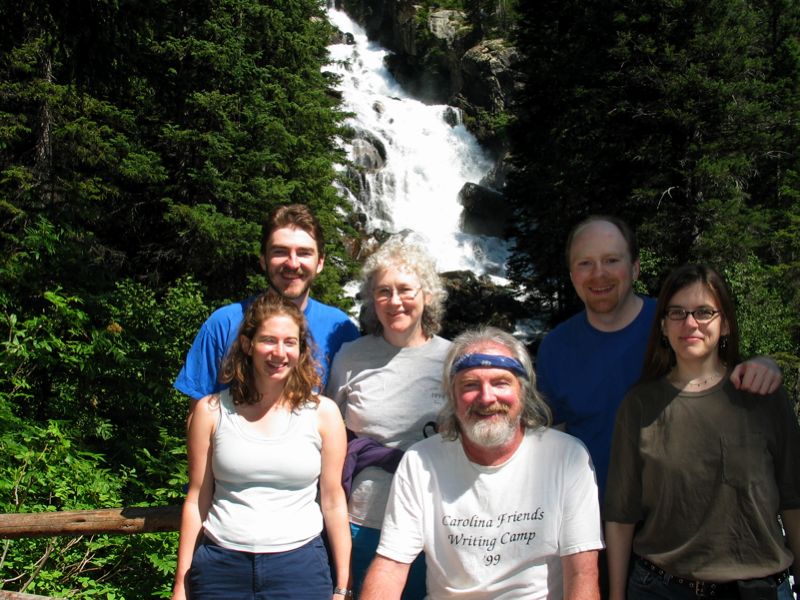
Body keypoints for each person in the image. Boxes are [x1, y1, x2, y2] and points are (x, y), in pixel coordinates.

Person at [535, 215, 783, 500]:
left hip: (680, 518)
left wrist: (764, 364)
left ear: (636, 268)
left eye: (611, 260)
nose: (598, 273)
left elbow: (724, 374)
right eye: (585, 263)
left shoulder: (677, 324)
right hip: (595, 520)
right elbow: (554, 439)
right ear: (572, 276)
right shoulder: (555, 347)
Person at [359, 326, 604, 600]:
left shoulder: (566, 456)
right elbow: (391, 565)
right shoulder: (420, 461)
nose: (487, 398)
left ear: (523, 393)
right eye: (470, 385)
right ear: (452, 396)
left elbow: (581, 572)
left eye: (500, 383)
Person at [604, 264, 800, 600]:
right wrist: (617, 595)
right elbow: (621, 514)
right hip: (660, 589)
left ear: (724, 324)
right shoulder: (638, 405)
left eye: (704, 312)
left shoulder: (763, 394)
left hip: (759, 589)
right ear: (664, 326)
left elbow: (794, 499)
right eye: (677, 312)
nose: (690, 323)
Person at [172, 292, 352, 600]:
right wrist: (181, 583)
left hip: (300, 568)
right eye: (268, 340)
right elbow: (197, 498)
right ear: (247, 344)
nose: (279, 352)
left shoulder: (324, 414)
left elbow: (334, 502)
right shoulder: (211, 411)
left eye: (290, 342)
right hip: (221, 567)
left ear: (301, 349)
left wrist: (342, 586)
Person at [325, 236, 451, 599]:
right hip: (362, 523)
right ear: (371, 300)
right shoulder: (350, 357)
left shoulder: (454, 359)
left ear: (427, 294)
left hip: (434, 526)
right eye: (383, 292)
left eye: (405, 290)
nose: (395, 301)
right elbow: (331, 438)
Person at [175, 203, 360, 408]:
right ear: (263, 260)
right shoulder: (223, 324)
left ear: (320, 263)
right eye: (280, 252)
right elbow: (198, 415)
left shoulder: (341, 330)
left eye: (304, 253)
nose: (292, 263)